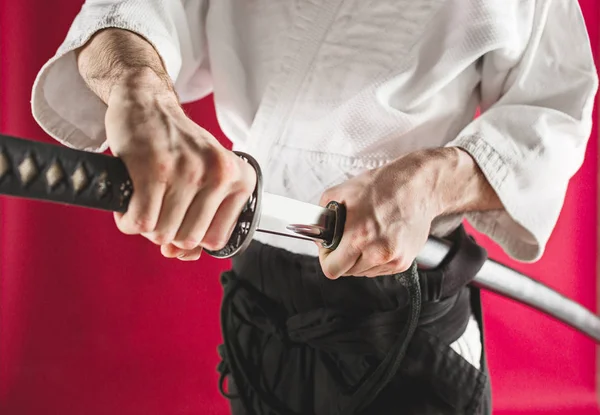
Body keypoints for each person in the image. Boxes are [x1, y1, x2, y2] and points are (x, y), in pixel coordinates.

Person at [31, 0, 597, 414]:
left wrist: (430, 183)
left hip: (403, 300)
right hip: (261, 282)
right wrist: (138, 86)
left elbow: (553, 108)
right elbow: (133, 11)